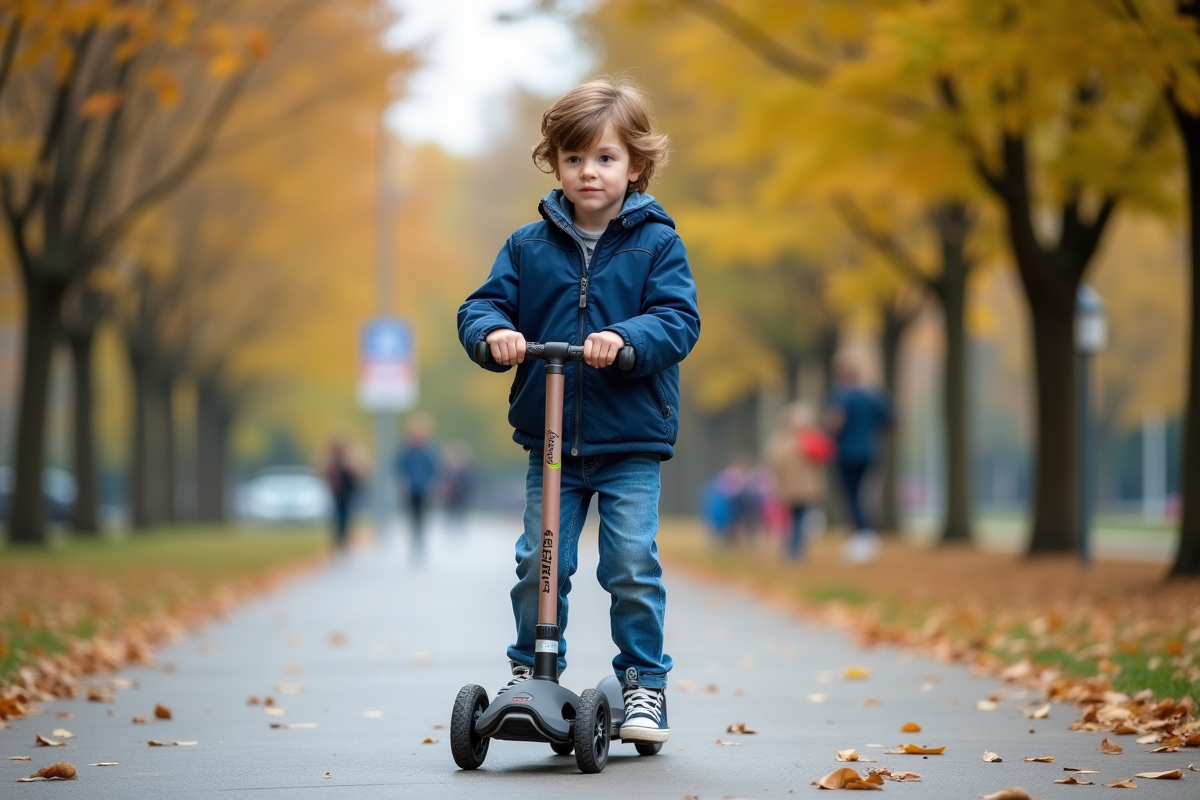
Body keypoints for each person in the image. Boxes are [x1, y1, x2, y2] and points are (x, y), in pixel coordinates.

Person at [457, 78, 700, 745]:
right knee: (541, 561)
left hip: (629, 442)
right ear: (554, 164)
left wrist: (626, 340)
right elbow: (481, 307)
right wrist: (493, 335)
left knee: (628, 562)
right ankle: (529, 671)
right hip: (553, 439)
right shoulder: (527, 247)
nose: (588, 172)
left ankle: (644, 684)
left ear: (637, 166)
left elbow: (679, 320)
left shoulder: (658, 246)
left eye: (605, 158)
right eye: (573, 158)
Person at [826, 357, 893, 564]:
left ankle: (863, 537)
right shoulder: (874, 396)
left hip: (847, 453)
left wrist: (828, 432)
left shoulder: (841, 396)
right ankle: (866, 535)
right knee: (866, 494)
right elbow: (892, 420)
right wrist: (872, 434)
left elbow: (835, 422)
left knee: (851, 495)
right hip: (870, 452)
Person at [764, 402, 833, 560]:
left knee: (794, 520)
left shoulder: (780, 442)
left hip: (792, 488)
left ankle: (792, 549)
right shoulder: (805, 440)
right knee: (798, 520)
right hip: (800, 489)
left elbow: (773, 464)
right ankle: (795, 550)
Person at [395, 413, 440, 551]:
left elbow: (434, 468)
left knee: (422, 514)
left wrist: (433, 483)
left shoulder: (428, 451)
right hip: (410, 488)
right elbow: (399, 466)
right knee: (412, 514)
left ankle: (420, 536)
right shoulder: (407, 451)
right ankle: (415, 536)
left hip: (425, 488)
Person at [320, 434, 365, 550]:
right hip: (335, 491)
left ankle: (342, 536)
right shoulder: (329, 458)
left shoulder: (350, 457)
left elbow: (359, 472)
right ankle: (339, 537)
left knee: (345, 515)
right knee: (337, 515)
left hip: (347, 492)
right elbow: (321, 470)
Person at [440, 439, 475, 528]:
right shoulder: (447, 470)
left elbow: (469, 485)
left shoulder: (465, 471)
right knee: (450, 517)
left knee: (459, 518)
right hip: (450, 498)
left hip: (461, 497)